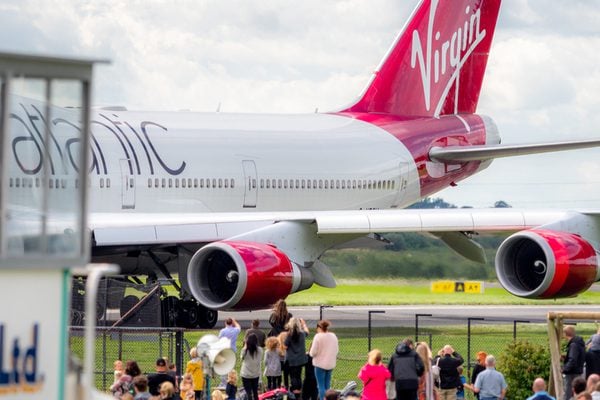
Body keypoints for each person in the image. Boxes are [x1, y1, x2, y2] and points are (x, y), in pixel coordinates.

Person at [309, 320, 339, 400]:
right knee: (327, 385)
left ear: (319, 327)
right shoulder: (333, 336)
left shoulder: (318, 336)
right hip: (330, 363)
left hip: (320, 364)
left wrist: (311, 353)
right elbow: (336, 350)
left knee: (320, 386)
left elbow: (313, 352)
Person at [285, 317, 309, 398]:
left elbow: (285, 346)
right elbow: (307, 332)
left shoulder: (289, 335)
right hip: (301, 359)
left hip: (292, 360)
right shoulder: (302, 334)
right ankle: (299, 392)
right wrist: (304, 324)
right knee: (298, 376)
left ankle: (295, 393)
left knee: (293, 377)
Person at [563, 325, 586, 400]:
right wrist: (565, 357)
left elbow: (572, 360)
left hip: (571, 373)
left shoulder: (573, 345)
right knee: (578, 392)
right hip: (578, 370)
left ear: (565, 334)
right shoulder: (579, 343)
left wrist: (564, 369)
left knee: (568, 392)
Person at [241, 333, 264, 400]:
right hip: (255, 374)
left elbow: (241, 357)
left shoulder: (245, 351)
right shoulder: (260, 350)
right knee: (255, 392)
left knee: (248, 393)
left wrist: (245, 346)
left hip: (246, 374)